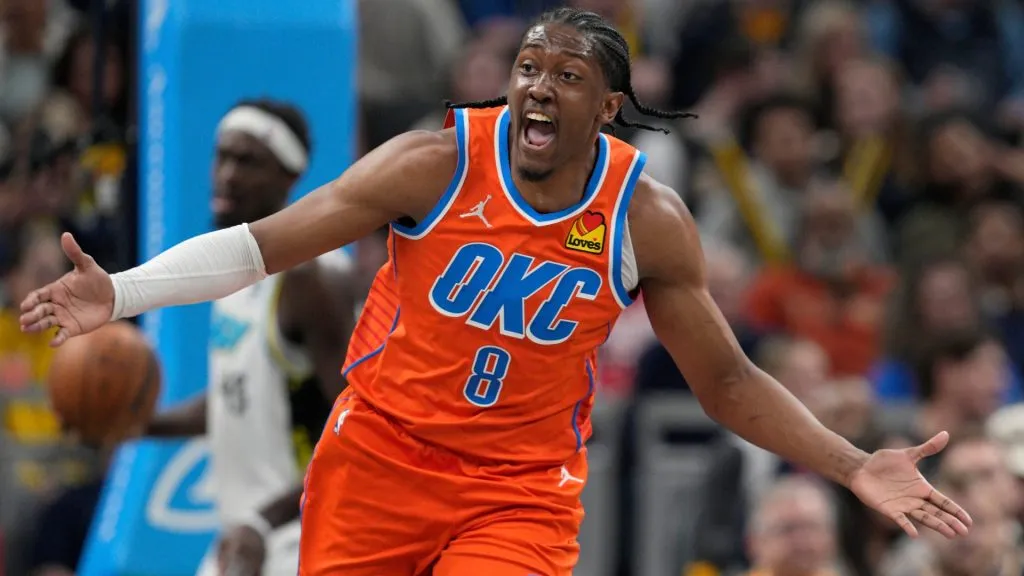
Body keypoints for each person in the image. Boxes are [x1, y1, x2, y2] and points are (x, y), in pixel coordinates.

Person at [20, 8, 971, 576]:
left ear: (607, 107)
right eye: (527, 68)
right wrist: (126, 294)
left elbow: (727, 382)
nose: (537, 87)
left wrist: (849, 465)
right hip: (379, 458)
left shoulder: (648, 219)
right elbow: (265, 245)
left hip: (517, 491)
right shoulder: (435, 164)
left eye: (567, 75)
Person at [129, 99, 355, 575]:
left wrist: (261, 522)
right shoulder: (234, 270)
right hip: (246, 537)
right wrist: (138, 425)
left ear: (289, 176)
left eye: (248, 161)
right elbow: (239, 399)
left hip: (301, 537)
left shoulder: (311, 279)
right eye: (222, 156)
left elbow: (356, 432)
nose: (227, 175)